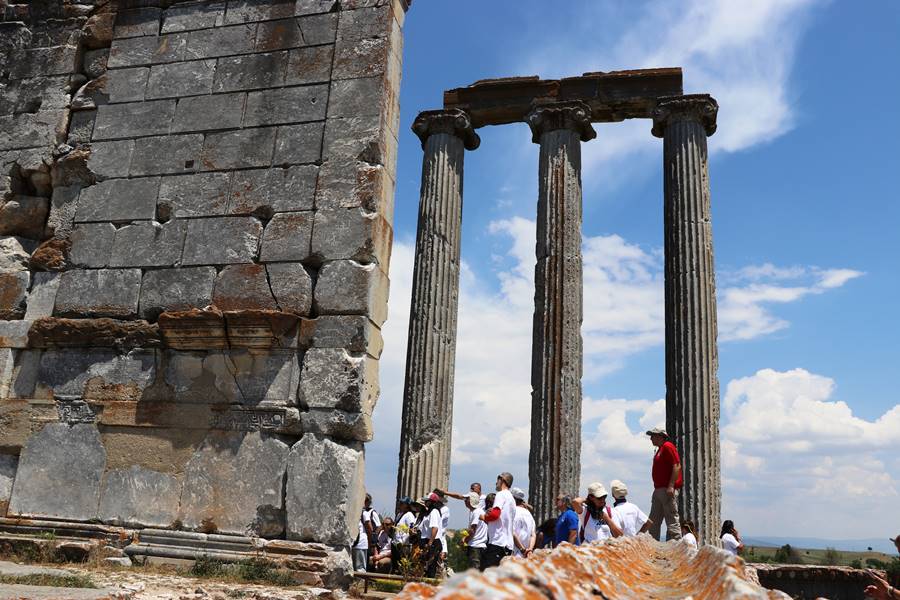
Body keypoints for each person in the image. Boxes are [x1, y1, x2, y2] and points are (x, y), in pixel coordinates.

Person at [646, 427, 683, 541]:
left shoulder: (667, 446)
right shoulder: (661, 449)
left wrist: (671, 486)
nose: (651, 438)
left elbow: (676, 465)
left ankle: (677, 546)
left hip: (666, 489)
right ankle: (653, 546)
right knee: (653, 521)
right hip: (659, 489)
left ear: (660, 436)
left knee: (671, 520)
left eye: (653, 436)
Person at [482, 472, 516, 567]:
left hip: (497, 542)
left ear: (502, 480)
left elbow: (495, 515)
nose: (496, 483)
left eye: (497, 480)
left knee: (487, 575)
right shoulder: (512, 499)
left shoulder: (501, 494)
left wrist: (484, 517)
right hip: (508, 545)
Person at [422, 492, 445, 577]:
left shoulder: (434, 512)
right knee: (428, 568)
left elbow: (435, 528)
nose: (425, 502)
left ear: (432, 502)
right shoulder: (430, 512)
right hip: (431, 541)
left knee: (431, 568)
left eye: (427, 501)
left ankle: (431, 587)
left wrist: (430, 543)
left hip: (434, 542)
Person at [465, 491, 488, 570]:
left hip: (475, 546)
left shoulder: (476, 512)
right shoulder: (480, 511)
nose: (465, 500)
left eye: (467, 499)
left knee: (474, 572)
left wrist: (465, 540)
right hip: (481, 546)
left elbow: (473, 530)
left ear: (471, 501)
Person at [511, 487, 536, 558]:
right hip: (527, 555)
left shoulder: (513, 512)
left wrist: (522, 549)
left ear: (513, 499)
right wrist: (530, 550)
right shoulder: (529, 515)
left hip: (515, 553)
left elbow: (512, 533)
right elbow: (533, 535)